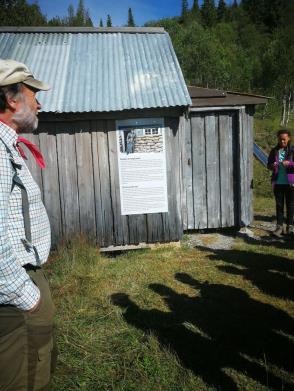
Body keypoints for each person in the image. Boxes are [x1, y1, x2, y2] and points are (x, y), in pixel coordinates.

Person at [0, 59, 57, 390]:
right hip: (15, 299)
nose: (39, 102)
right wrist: (27, 296)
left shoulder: (7, 146)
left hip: (22, 287)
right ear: (11, 99)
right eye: (33, 93)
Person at [267, 129, 294, 238]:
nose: (282, 141)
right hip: (278, 182)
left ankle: (290, 227)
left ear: (289, 138)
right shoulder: (274, 151)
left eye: (284, 139)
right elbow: (268, 164)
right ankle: (279, 227)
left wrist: (290, 163)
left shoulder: (292, 150)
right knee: (279, 205)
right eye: (280, 139)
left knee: (291, 205)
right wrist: (272, 165)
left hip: (291, 183)